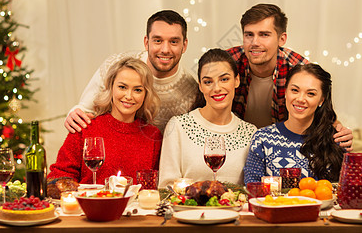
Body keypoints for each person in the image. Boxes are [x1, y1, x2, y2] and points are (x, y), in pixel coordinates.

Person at [227, 3, 353, 150]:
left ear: (282, 39)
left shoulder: (298, 69)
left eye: (264, 35)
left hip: (280, 147)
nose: (255, 43)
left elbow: (320, 110)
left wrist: (340, 132)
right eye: (249, 35)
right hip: (235, 144)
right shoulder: (228, 64)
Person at [64, 10, 198, 133]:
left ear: (184, 45)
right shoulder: (115, 65)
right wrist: (75, 115)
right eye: (158, 40)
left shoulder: (191, 92)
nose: (165, 49)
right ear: (146, 42)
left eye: (174, 42)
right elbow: (84, 112)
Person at [49, 57, 162, 183]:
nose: (129, 96)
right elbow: (58, 176)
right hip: (88, 202)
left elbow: (155, 187)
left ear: (146, 94)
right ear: (111, 87)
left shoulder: (153, 136)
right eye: (122, 87)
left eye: (137, 90)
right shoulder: (85, 128)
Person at [159, 49, 257, 187]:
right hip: (189, 208)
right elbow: (166, 186)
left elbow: (251, 190)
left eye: (224, 79)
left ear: (236, 80)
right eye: (208, 82)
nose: (216, 88)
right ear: (200, 86)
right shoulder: (178, 126)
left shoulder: (250, 132)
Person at [244, 64, 345, 183]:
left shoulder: (335, 139)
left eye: (310, 94)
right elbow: (251, 187)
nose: (301, 99)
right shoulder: (262, 138)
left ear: (321, 101)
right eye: (295, 90)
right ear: (286, 92)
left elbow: (344, 190)